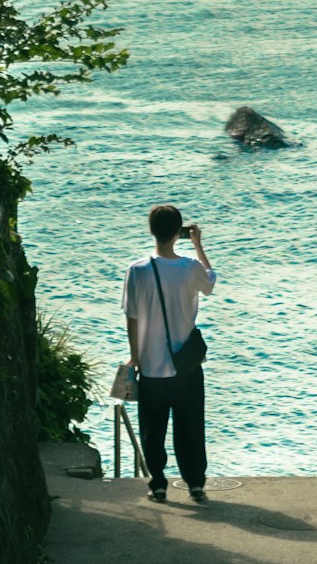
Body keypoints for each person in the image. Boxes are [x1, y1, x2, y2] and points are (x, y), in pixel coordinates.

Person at [122, 203, 216, 504]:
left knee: (153, 429)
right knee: (190, 428)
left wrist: (135, 357)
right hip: (186, 366)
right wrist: (199, 246)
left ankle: (158, 484)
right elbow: (210, 281)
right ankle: (196, 484)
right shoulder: (190, 268)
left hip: (152, 367)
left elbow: (132, 318)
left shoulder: (137, 271)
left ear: (152, 231)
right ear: (179, 233)